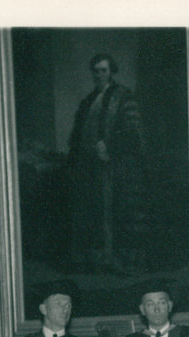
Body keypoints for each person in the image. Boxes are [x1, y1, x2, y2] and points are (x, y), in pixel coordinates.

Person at [67, 53, 146, 275]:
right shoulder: (88, 101)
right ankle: (97, 261)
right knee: (92, 212)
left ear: (111, 71)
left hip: (115, 166)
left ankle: (117, 262)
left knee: (115, 212)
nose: (99, 75)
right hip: (90, 166)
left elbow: (133, 132)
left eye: (103, 70)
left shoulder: (123, 97)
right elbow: (78, 135)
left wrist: (110, 147)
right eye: (96, 71)